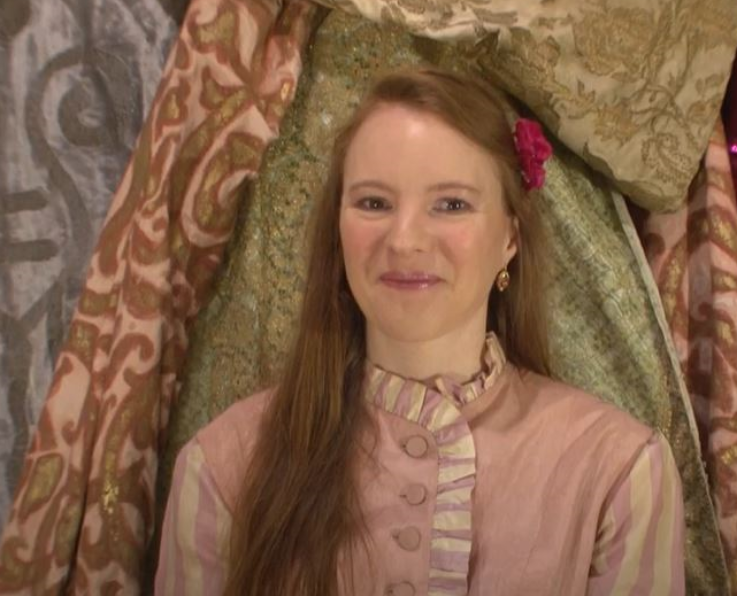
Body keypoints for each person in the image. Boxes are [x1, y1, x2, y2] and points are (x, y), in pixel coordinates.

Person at [155, 68, 685, 596]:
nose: (405, 240)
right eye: (374, 203)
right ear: (338, 231)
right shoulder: (222, 468)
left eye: (451, 204)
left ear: (510, 238)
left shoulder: (619, 473)